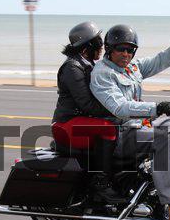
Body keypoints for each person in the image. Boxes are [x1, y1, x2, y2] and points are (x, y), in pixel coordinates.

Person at [90, 17, 170, 220]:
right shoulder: (102, 73)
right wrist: (158, 107)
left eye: (131, 50)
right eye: (121, 49)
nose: (126, 54)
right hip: (119, 133)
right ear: (109, 49)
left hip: (139, 126)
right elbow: (119, 108)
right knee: (160, 139)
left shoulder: (132, 68)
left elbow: (161, 60)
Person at [51, 21, 124, 204]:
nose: (102, 47)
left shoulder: (87, 64)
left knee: (122, 126)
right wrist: (118, 111)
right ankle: (101, 182)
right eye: (98, 43)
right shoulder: (72, 68)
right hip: (67, 123)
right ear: (86, 47)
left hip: (80, 119)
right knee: (108, 128)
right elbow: (87, 104)